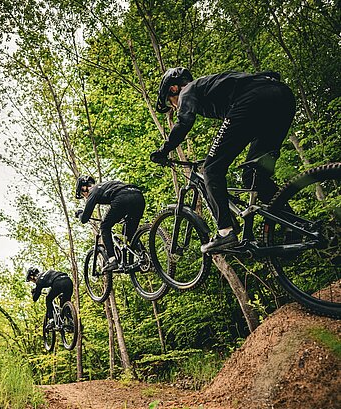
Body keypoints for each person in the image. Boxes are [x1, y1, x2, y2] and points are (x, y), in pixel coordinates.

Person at [150, 67, 296, 253]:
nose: (175, 107)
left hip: (252, 100)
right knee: (253, 175)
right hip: (281, 98)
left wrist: (164, 150)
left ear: (173, 89)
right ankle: (292, 224)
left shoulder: (188, 90)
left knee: (211, 170)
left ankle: (226, 232)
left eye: (171, 103)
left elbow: (184, 122)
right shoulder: (207, 87)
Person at [75, 175, 146, 271]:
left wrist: (80, 213)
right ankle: (145, 257)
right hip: (138, 196)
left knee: (104, 226)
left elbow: (84, 219)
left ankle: (112, 260)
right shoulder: (105, 185)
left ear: (84, 188)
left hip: (122, 198)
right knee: (130, 233)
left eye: (82, 194)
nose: (84, 197)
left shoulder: (93, 191)